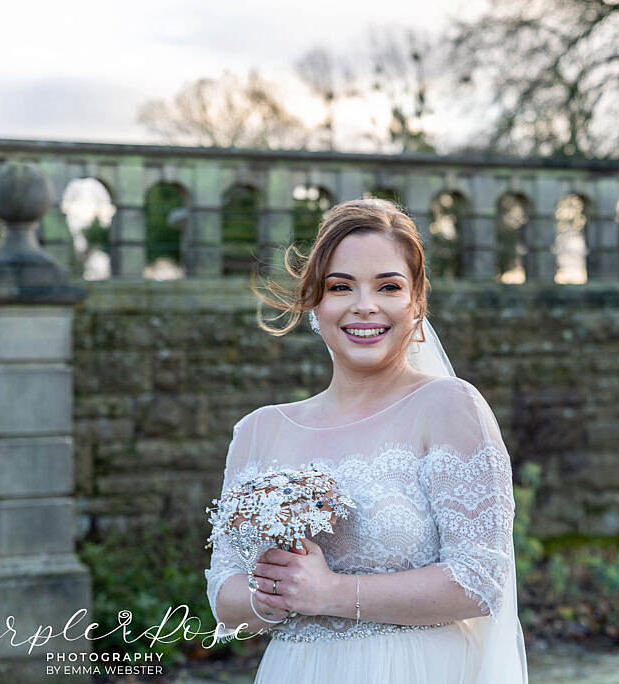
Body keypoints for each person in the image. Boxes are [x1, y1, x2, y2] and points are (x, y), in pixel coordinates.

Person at [203, 198, 529, 683]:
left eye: (388, 286)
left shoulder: (448, 406)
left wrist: (331, 593)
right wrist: (272, 596)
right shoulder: (259, 430)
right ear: (315, 300)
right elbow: (224, 600)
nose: (364, 305)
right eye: (340, 286)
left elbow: (479, 581)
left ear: (415, 302)